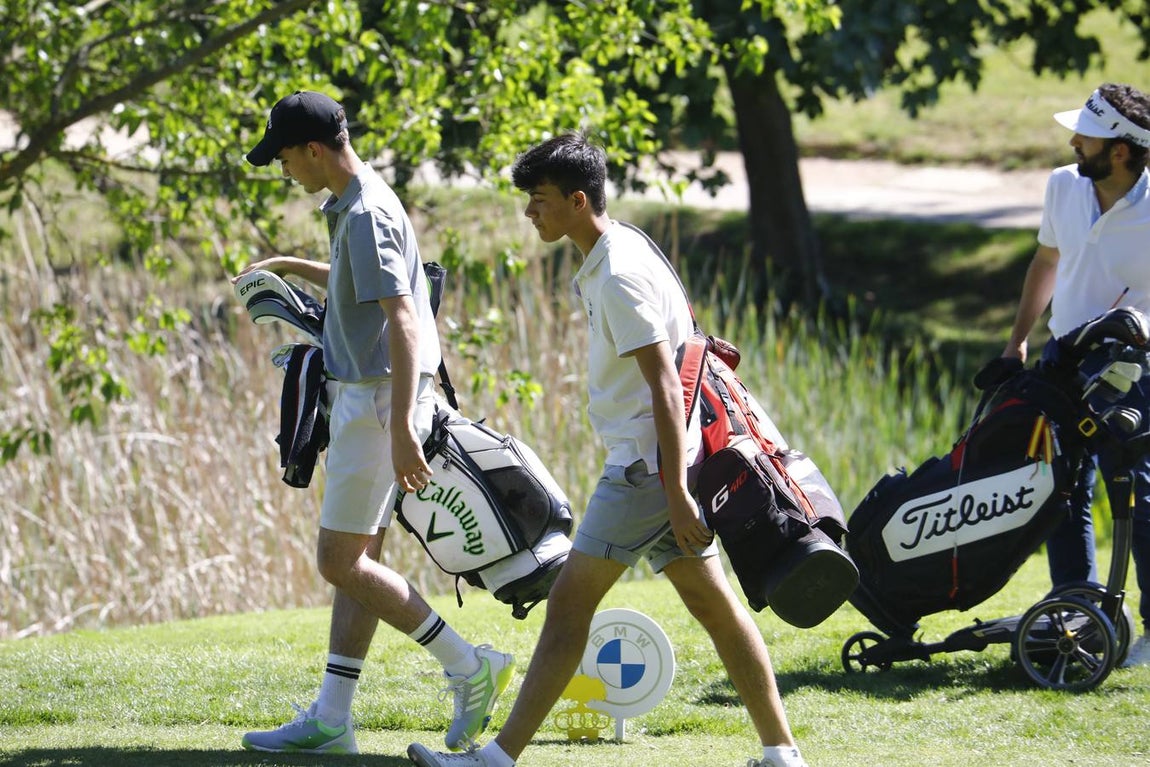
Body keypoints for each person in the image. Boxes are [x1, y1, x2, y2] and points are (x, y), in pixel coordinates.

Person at [406, 133, 809, 767]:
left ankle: (495, 759)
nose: (529, 212)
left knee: (568, 607)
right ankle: (782, 754)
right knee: (715, 607)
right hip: (665, 468)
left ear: (577, 200)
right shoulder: (620, 247)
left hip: (645, 472)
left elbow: (666, 385)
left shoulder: (617, 274)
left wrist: (674, 491)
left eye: (539, 199)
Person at [234, 90, 514, 754]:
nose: (283, 170)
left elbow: (404, 319)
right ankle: (333, 719)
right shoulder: (358, 201)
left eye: (284, 158)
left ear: (312, 149)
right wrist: (284, 266)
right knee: (362, 562)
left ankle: (469, 666)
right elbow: (357, 282)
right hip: (377, 396)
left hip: (379, 399)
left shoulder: (364, 212)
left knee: (339, 560)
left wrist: (402, 428)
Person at [1002, 83, 1150, 667]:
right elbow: (1047, 260)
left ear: (1119, 150)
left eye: (1085, 137)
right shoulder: (1064, 184)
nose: (1073, 143)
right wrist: (1018, 339)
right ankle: (1078, 615)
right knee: (1061, 491)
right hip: (1062, 360)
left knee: (1138, 494)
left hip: (1132, 370)